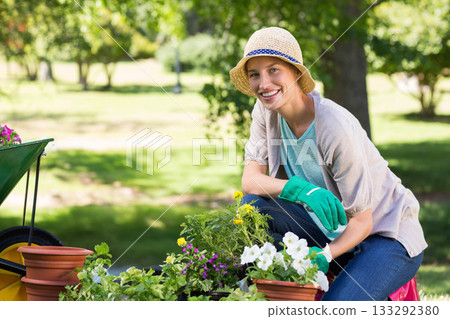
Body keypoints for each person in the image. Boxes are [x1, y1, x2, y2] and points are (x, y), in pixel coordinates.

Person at [229, 27, 427, 301]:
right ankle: (268, 282)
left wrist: (325, 254)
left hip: (385, 234)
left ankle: (362, 277)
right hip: (332, 228)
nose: (264, 84)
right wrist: (298, 189)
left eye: (274, 70)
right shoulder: (266, 111)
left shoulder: (334, 127)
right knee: (254, 207)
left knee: (334, 309)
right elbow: (250, 180)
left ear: (296, 73)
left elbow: (363, 220)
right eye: (255, 74)